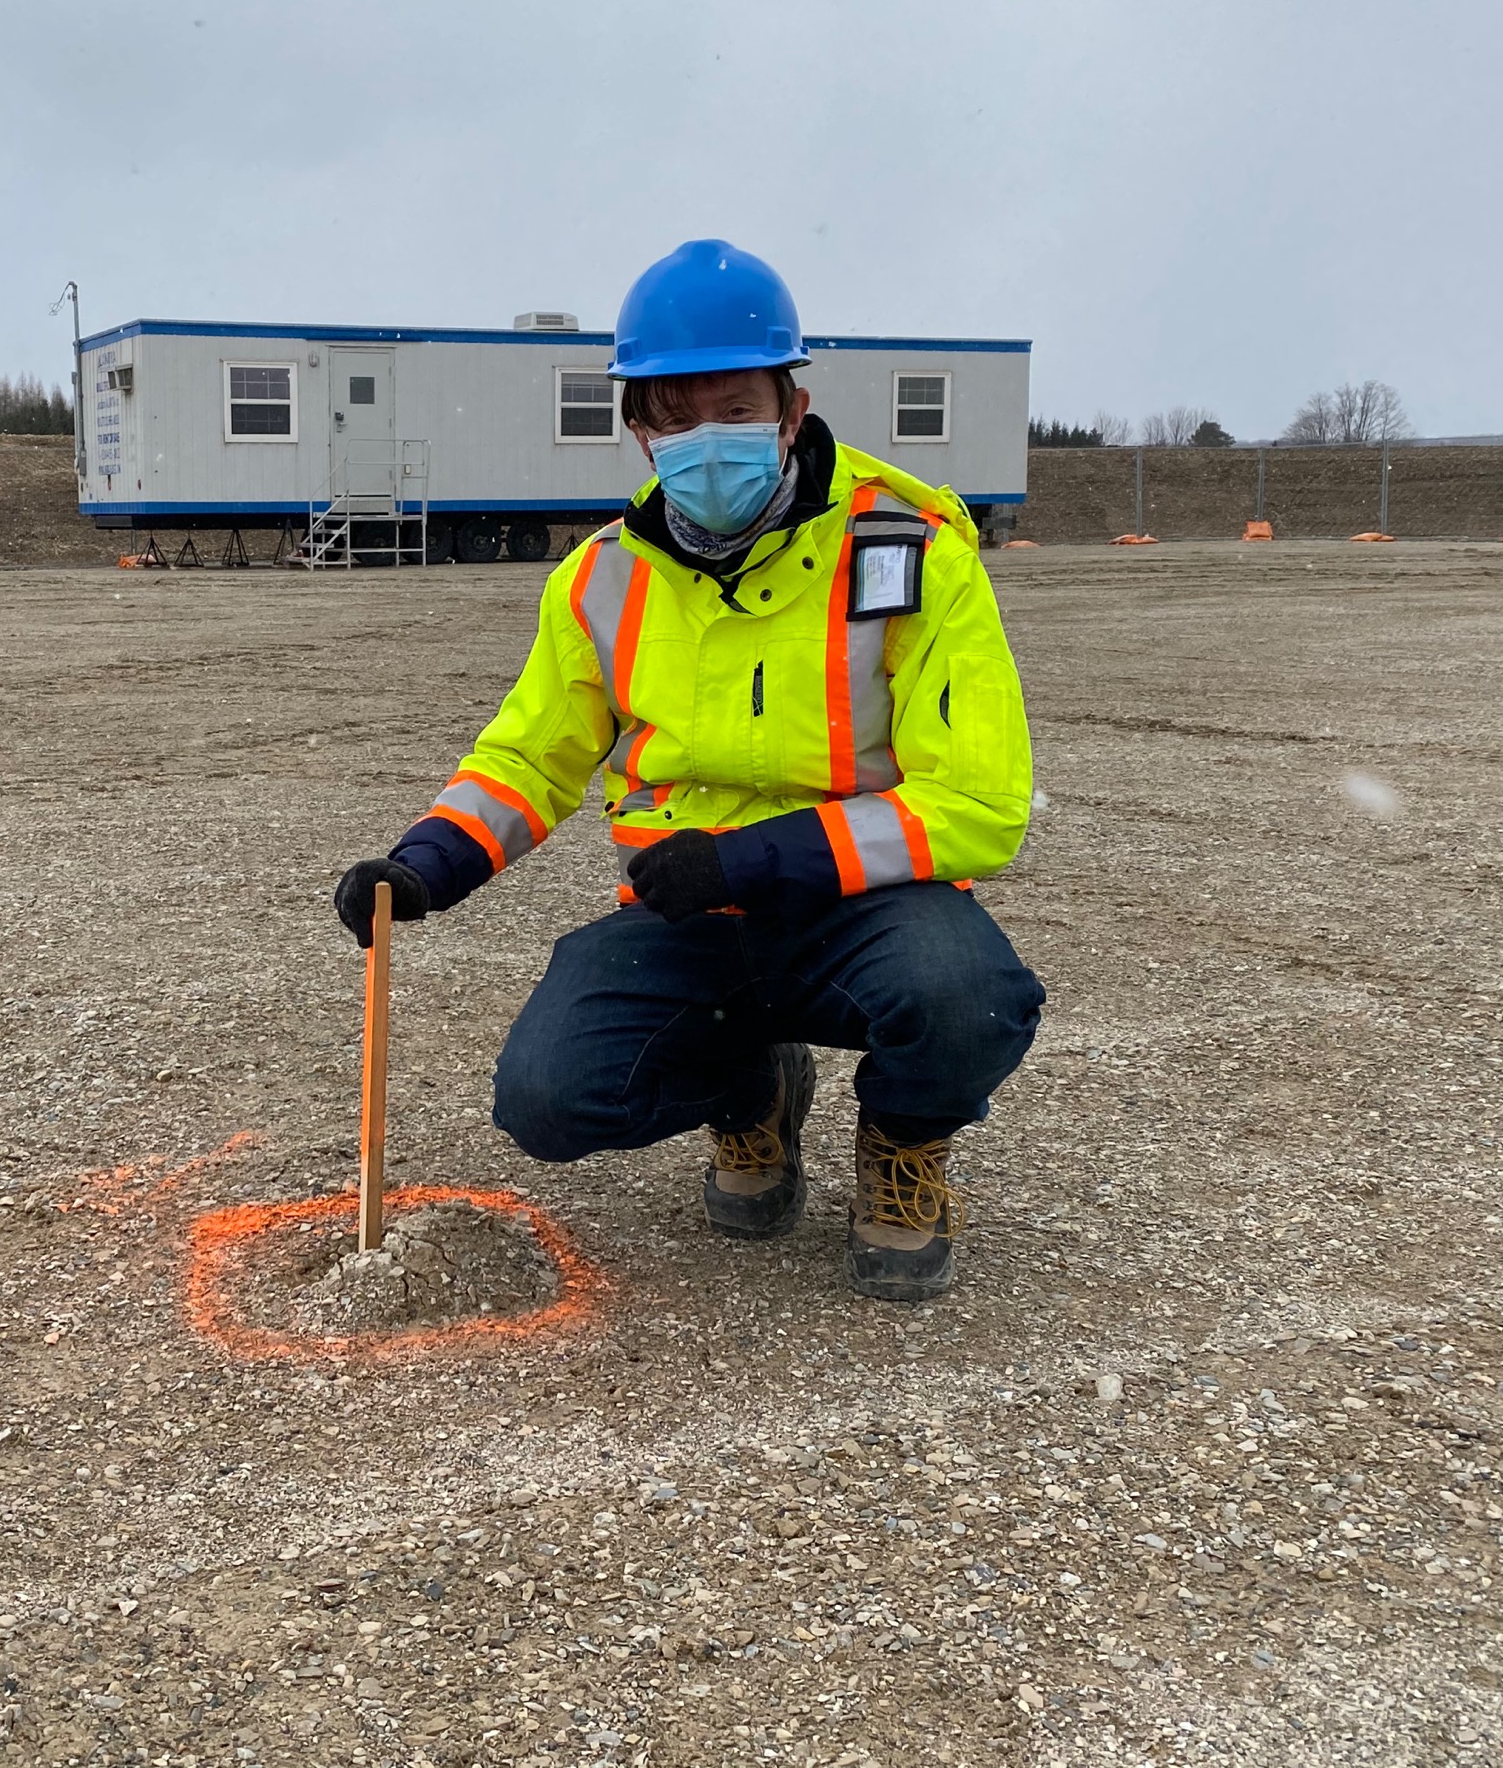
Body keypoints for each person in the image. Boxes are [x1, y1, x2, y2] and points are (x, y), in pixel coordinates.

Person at [334, 239, 1044, 1300]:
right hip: (687, 916)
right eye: (672, 414)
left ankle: (904, 1144)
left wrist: (754, 861)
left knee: (965, 999)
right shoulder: (600, 581)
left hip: (871, 908)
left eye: (734, 407)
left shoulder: (910, 553)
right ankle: (748, 1090)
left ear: (791, 408)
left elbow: (980, 803)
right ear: (637, 428)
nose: (703, 438)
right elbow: (532, 752)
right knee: (549, 1096)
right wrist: (426, 864)